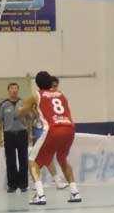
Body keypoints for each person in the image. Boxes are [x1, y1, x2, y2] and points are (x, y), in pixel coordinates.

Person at [17, 71, 81, 205]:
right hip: (69, 128)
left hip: (53, 129)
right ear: (51, 82)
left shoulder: (37, 94)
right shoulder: (60, 94)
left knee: (32, 161)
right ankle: (75, 192)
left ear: (37, 84)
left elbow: (22, 111)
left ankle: (40, 195)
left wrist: (20, 110)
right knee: (62, 159)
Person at [0, 82, 29, 193]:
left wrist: (30, 135)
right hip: (9, 135)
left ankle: (23, 185)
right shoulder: (3, 105)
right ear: (8, 90)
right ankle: (12, 185)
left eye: (16, 88)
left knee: (23, 160)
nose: (14, 90)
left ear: (18, 90)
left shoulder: (23, 103)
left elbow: (29, 120)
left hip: (22, 134)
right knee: (10, 161)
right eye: (12, 88)